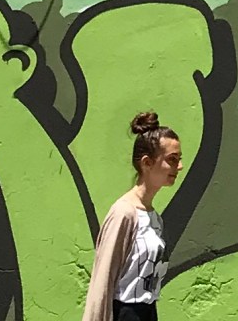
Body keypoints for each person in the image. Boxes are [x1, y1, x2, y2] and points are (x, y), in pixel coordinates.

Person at [83, 110, 181, 321]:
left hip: (148, 312)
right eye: (172, 159)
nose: (179, 166)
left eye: (179, 159)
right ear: (147, 163)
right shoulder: (124, 213)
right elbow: (103, 279)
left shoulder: (155, 218)